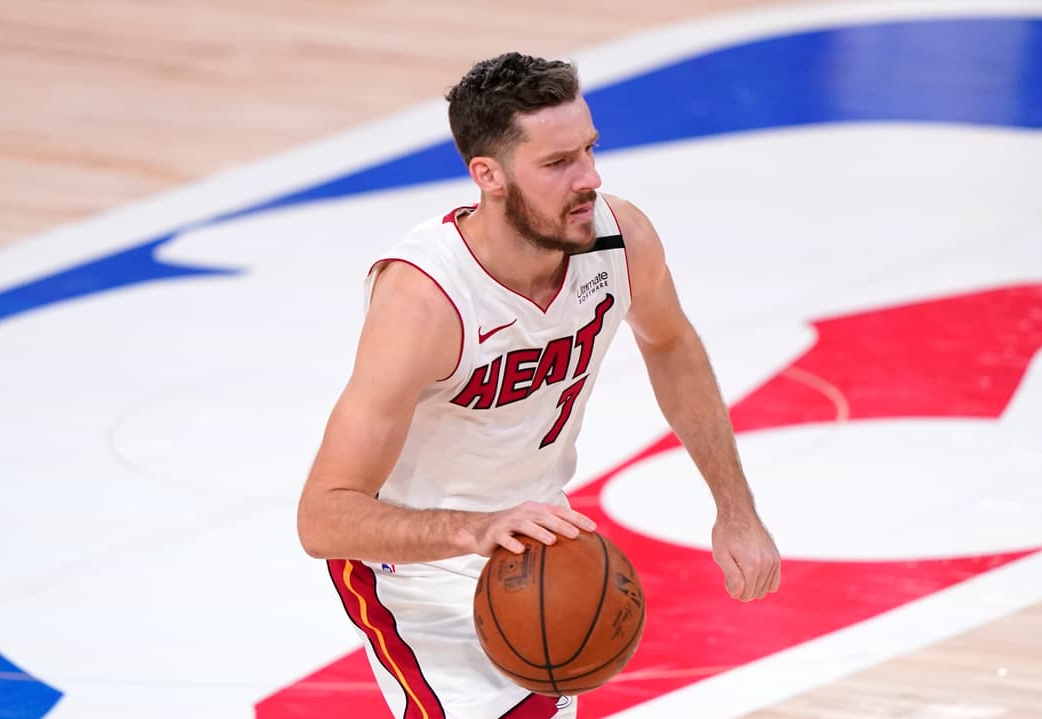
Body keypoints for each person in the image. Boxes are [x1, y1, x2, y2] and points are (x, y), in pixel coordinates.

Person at [297, 51, 780, 719]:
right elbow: (323, 516)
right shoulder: (424, 302)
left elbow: (670, 344)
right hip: (412, 562)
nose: (589, 179)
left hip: (534, 539)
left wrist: (734, 506)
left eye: (588, 150)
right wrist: (478, 528)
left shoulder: (618, 239)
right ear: (487, 175)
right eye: (557, 164)